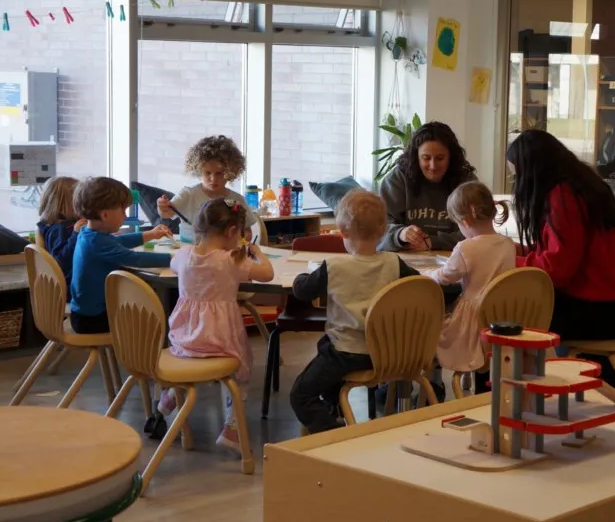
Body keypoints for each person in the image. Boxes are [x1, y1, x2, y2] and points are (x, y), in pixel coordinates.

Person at [290, 190, 419, 433]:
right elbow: (418, 286)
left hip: (343, 353)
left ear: (344, 231)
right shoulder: (394, 263)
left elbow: (303, 291)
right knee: (327, 365)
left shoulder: (334, 266)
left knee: (300, 395)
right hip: (383, 352)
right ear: (383, 231)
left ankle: (334, 433)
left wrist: (301, 278)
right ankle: (335, 408)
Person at [156, 198, 274, 452]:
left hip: (184, 339)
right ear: (232, 233)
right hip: (221, 340)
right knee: (242, 368)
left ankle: (168, 397)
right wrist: (258, 253)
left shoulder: (184, 254)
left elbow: (173, 265)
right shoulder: (230, 260)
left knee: (186, 357)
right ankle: (231, 430)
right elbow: (267, 274)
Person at [507, 130, 615, 342]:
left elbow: (556, 271)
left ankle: (502, 373)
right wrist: (516, 250)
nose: (517, 184)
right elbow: (559, 250)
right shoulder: (581, 183)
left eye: (518, 176)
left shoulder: (563, 197)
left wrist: (505, 260)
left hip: (600, 310)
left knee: (503, 312)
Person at [423, 182, 516, 384]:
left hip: (474, 317)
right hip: (503, 313)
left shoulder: (465, 247)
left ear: (465, 221)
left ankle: (433, 382)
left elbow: (446, 277)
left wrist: (428, 274)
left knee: (436, 333)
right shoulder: (508, 244)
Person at [70, 177, 174, 334]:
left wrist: (150, 234)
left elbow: (118, 241)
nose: (125, 216)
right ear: (105, 215)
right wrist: (173, 259)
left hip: (84, 314)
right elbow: (135, 258)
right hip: (93, 319)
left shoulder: (89, 234)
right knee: (152, 318)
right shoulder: (96, 241)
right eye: (122, 211)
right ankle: (145, 356)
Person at [378, 121, 477, 252]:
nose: (433, 166)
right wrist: (400, 234)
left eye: (440, 158)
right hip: (405, 258)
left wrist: (432, 242)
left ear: (451, 158)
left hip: (455, 259)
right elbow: (377, 229)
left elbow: (478, 231)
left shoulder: (466, 182)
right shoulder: (397, 179)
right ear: (416, 157)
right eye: (426, 158)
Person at [157, 135, 257, 242]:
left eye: (219, 173)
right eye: (207, 173)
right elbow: (166, 214)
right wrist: (162, 206)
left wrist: (245, 237)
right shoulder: (188, 194)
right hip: (191, 251)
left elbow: (246, 230)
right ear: (199, 170)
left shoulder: (237, 200)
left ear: (231, 172)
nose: (213, 179)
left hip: (225, 253)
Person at [36, 176, 85, 289]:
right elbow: (61, 261)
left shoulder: (49, 225)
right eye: (80, 200)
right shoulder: (62, 229)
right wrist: (76, 235)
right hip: (71, 288)